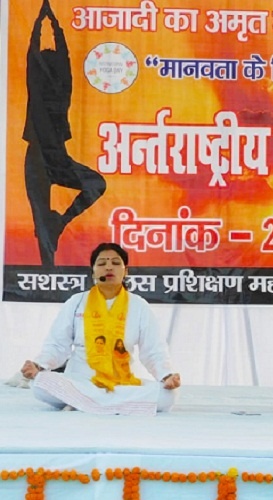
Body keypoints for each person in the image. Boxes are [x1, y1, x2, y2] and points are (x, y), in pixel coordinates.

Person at [19, 242, 181, 415]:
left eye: (116, 263)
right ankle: (110, 405)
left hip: (120, 384)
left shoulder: (139, 306)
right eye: (102, 263)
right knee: (40, 384)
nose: (109, 267)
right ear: (94, 271)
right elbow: (57, 346)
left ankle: (84, 403)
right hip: (78, 381)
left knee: (168, 395)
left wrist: (166, 375)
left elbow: (153, 350)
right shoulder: (76, 302)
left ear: (126, 271)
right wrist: (39, 365)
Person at [24, 0, 106, 266]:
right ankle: (48, 261)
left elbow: (54, 57)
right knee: (42, 231)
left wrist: (46, 22)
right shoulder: (41, 87)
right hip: (38, 159)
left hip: (56, 158)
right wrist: (48, 24)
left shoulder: (62, 90)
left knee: (96, 184)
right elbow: (38, 57)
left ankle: (58, 221)